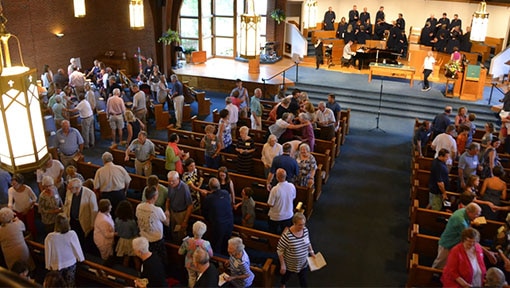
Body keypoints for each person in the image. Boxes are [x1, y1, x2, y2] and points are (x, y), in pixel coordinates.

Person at [432, 203, 482, 269]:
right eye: (476, 214)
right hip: (448, 244)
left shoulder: (463, 211)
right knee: (439, 264)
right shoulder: (461, 222)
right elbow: (470, 238)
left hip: (453, 243)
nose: (477, 217)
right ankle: (432, 275)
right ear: (469, 212)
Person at [44, 214, 85, 287]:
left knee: (58, 284)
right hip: (70, 262)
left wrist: (48, 264)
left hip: (56, 263)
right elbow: (77, 247)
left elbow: (48, 252)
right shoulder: (72, 234)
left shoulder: (50, 237)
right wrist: (80, 258)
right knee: (70, 281)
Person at [277, 212, 315, 288]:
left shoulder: (305, 230)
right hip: (290, 264)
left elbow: (308, 242)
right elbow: (280, 250)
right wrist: (283, 265)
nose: (302, 227)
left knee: (303, 279)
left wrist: (311, 252)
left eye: (304, 224)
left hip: (303, 262)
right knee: (287, 276)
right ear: (294, 223)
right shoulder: (287, 236)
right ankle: (282, 284)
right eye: (300, 225)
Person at [137, 186, 170, 267]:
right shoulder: (157, 210)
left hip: (144, 238)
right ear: (155, 197)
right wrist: (168, 214)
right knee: (159, 261)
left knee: (147, 260)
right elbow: (167, 223)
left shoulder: (139, 207)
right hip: (156, 240)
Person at [202, 177, 234, 255]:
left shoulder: (209, 199)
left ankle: (217, 259)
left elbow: (204, 212)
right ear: (219, 185)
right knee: (225, 242)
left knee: (216, 245)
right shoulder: (225, 193)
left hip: (218, 225)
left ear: (209, 187)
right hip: (229, 222)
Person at [93, 151, 132, 217]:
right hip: (119, 195)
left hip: (106, 197)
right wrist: (125, 191)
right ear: (112, 159)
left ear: (103, 161)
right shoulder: (120, 168)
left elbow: (96, 187)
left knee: (108, 215)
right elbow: (128, 181)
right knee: (121, 214)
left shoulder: (99, 171)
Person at [63, 178, 98, 247]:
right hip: (72, 220)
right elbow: (66, 205)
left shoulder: (90, 194)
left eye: (71, 188)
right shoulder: (69, 192)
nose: (69, 190)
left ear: (77, 188)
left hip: (83, 222)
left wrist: (92, 225)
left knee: (82, 240)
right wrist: (65, 216)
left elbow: (94, 211)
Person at [178, 221, 213, 288]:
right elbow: (211, 254)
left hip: (189, 263)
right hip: (200, 264)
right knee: (200, 278)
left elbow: (180, 252)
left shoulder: (187, 241)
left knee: (191, 278)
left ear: (193, 230)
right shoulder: (205, 244)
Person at [166, 171, 193, 243]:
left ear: (178, 179)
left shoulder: (184, 188)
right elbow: (168, 199)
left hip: (181, 213)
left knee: (181, 234)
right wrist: (167, 210)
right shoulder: (170, 185)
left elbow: (190, 205)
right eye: (169, 181)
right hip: (172, 211)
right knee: (173, 231)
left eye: (173, 181)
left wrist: (185, 221)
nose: (171, 183)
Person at [8, 173, 37, 238]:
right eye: (12, 184)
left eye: (15, 184)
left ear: (20, 183)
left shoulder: (27, 189)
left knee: (31, 226)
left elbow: (35, 198)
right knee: (20, 226)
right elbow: (10, 203)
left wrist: (27, 209)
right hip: (18, 210)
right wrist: (10, 211)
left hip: (28, 209)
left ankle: (34, 238)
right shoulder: (11, 190)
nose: (13, 186)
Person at [267, 168, 296, 235]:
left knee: (273, 234)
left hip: (276, 217)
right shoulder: (292, 186)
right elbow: (293, 197)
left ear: (277, 177)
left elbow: (270, 204)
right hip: (288, 215)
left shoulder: (275, 189)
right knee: (286, 235)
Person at [114, 200, 139, 268]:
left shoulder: (117, 220)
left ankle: (125, 271)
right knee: (136, 258)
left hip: (122, 241)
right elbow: (135, 233)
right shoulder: (132, 222)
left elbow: (117, 231)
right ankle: (138, 273)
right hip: (131, 241)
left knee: (126, 258)